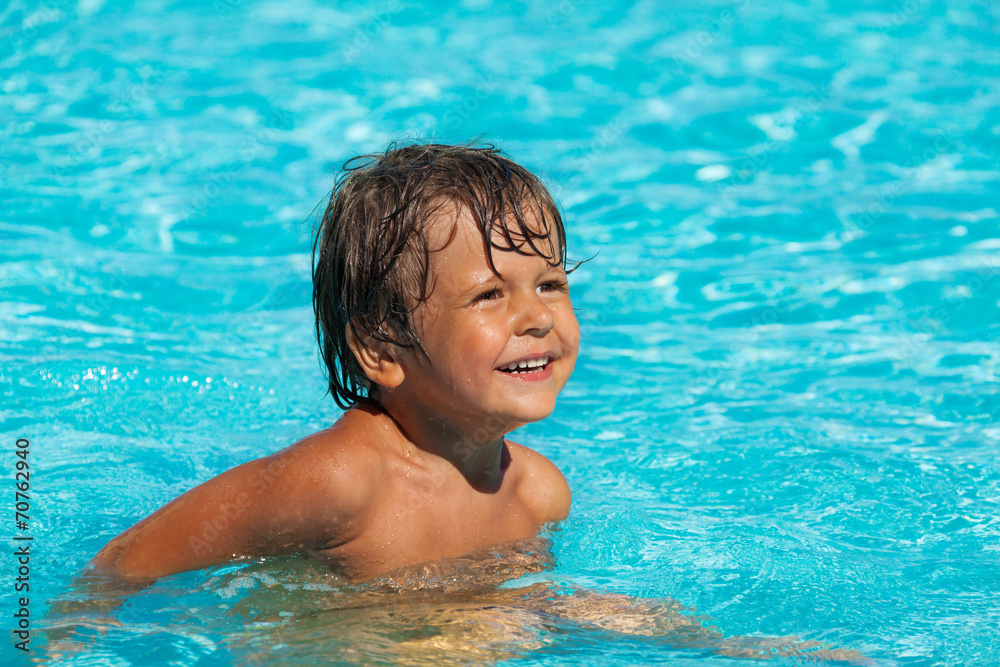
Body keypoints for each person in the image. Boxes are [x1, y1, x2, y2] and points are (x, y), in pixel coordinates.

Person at [89, 142, 580, 583]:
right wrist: (75, 632)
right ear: (381, 348)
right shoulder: (340, 483)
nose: (537, 316)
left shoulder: (538, 496)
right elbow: (124, 562)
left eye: (550, 285)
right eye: (489, 294)